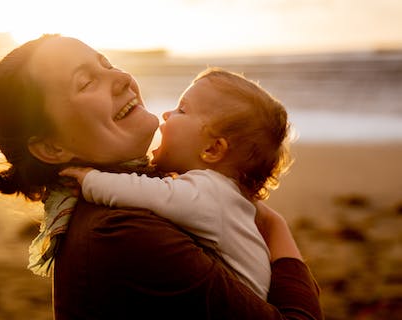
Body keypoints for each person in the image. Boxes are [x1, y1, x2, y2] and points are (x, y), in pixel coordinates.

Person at [0, 34, 323, 319]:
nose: (121, 78)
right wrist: (274, 226)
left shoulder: (134, 199)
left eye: (107, 63)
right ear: (51, 148)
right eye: (86, 82)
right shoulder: (122, 232)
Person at [59, 67, 293, 300]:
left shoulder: (210, 192)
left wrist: (89, 180)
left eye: (182, 110)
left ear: (212, 149)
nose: (166, 115)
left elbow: (145, 192)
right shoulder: (225, 197)